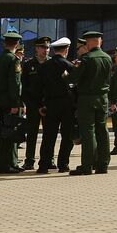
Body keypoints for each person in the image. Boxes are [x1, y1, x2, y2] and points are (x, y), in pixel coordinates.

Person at [71, 30, 111, 175]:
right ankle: (103, 165)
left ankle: (87, 166)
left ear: (89, 42)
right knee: (102, 131)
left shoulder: (86, 58)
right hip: (103, 98)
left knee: (88, 131)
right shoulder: (107, 58)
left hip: (87, 98)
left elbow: (73, 78)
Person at [37, 37, 76, 174]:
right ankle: (63, 164)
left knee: (48, 136)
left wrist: (41, 105)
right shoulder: (70, 66)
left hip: (50, 104)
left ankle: (43, 165)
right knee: (67, 136)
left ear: (53, 50)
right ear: (66, 49)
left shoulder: (44, 66)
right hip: (67, 105)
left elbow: (39, 88)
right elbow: (75, 87)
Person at [0, 31, 25, 174]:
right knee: (9, 134)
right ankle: (5, 165)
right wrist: (16, 103)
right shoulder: (13, 60)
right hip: (10, 102)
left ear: (4, 43)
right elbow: (15, 84)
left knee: (6, 132)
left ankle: (11, 163)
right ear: (17, 44)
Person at [21, 36, 50, 170]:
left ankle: (48, 159)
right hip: (33, 105)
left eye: (47, 48)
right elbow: (25, 87)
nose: (46, 50)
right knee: (32, 133)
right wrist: (29, 104)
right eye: (43, 48)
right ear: (37, 49)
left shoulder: (52, 64)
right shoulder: (28, 65)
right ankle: (29, 160)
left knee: (49, 134)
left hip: (49, 104)